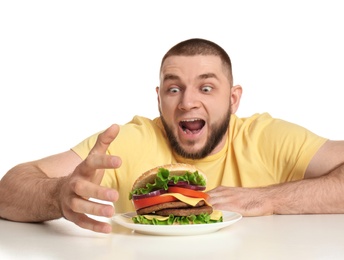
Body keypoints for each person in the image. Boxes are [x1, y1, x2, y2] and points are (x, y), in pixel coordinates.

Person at [1, 38, 344, 234]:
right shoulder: (128, 141)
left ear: (233, 98)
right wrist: (57, 193)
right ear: (159, 98)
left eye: (206, 87)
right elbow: (7, 191)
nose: (188, 102)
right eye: (174, 88)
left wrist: (270, 199)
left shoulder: (267, 137)